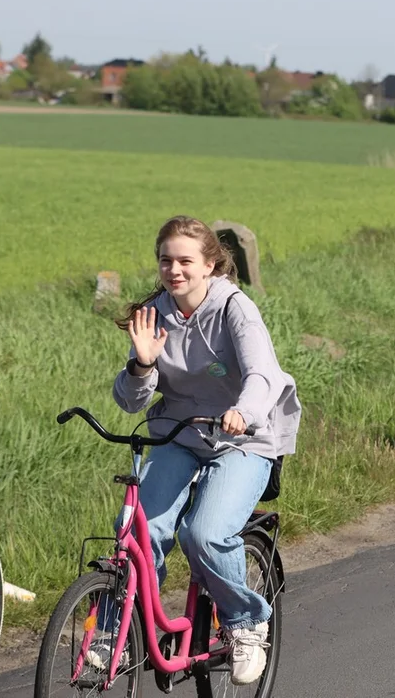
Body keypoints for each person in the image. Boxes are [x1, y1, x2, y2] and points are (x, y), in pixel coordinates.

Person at [109, 215, 300, 686]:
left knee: (205, 533)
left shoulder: (234, 308)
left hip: (242, 438)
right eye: (165, 260)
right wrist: (141, 363)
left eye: (185, 261)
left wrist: (245, 410)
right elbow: (130, 400)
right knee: (135, 529)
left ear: (210, 264)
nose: (174, 270)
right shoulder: (155, 313)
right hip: (181, 435)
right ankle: (114, 632)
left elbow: (263, 375)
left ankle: (245, 624)